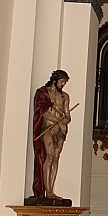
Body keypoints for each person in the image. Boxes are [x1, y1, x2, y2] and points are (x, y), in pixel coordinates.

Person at [32, 70, 71, 199]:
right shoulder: (43, 93)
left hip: (60, 129)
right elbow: (42, 112)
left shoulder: (65, 96)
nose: (63, 84)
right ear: (55, 80)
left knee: (56, 157)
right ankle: (48, 190)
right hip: (48, 127)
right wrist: (57, 123)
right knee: (49, 156)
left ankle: (51, 190)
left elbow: (67, 116)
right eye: (61, 81)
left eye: (65, 82)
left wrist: (62, 123)